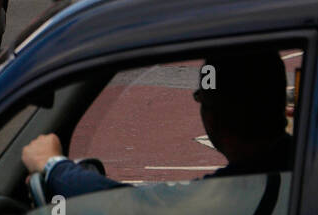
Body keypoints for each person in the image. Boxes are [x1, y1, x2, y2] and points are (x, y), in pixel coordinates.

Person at [21, 48, 294, 201]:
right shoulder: (293, 163)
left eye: (201, 97)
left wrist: (53, 165)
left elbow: (145, 211)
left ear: (212, 115)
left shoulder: (242, 189)